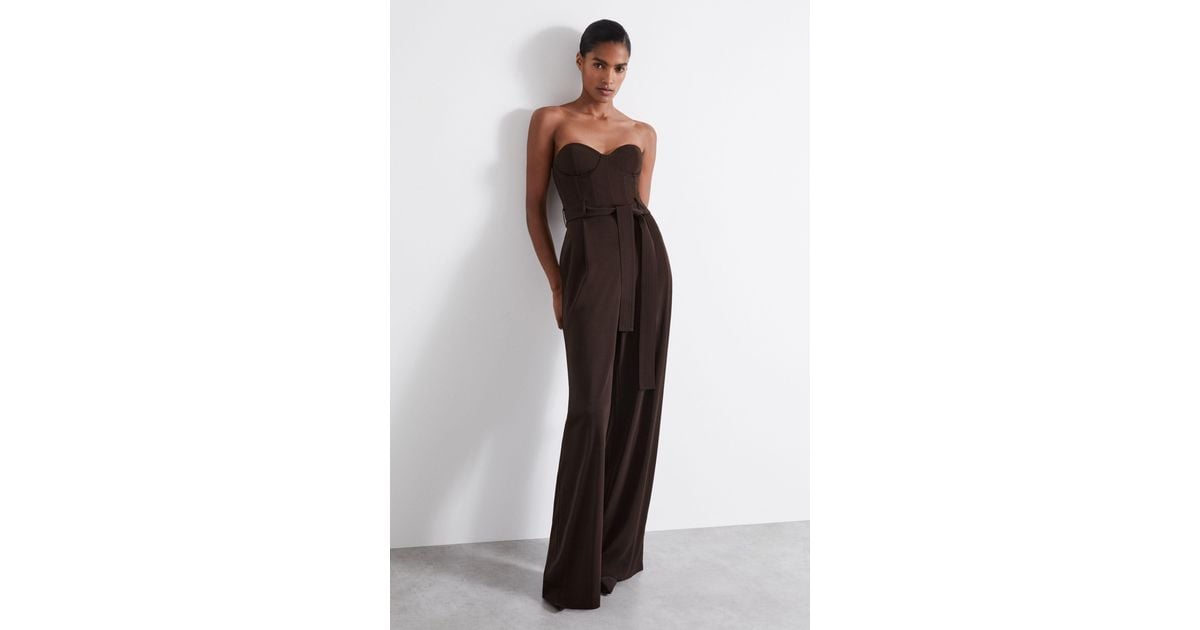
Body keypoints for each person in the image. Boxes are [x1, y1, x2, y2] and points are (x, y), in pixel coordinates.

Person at [524, 18, 673, 611]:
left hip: (646, 272)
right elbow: (533, 209)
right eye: (600, 64)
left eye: (620, 68)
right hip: (587, 273)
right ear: (580, 61)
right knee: (590, 411)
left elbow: (641, 207)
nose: (609, 78)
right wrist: (558, 284)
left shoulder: (643, 132)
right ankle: (572, 569)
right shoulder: (550, 121)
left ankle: (614, 554)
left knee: (635, 407)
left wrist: (639, 278)